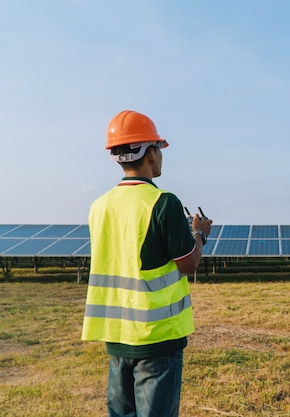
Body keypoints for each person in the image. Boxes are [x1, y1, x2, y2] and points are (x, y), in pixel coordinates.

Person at [82, 110, 213, 417]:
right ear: (150, 153)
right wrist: (199, 234)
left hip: (116, 336)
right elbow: (188, 264)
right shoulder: (162, 202)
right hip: (157, 337)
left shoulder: (99, 206)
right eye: (158, 148)